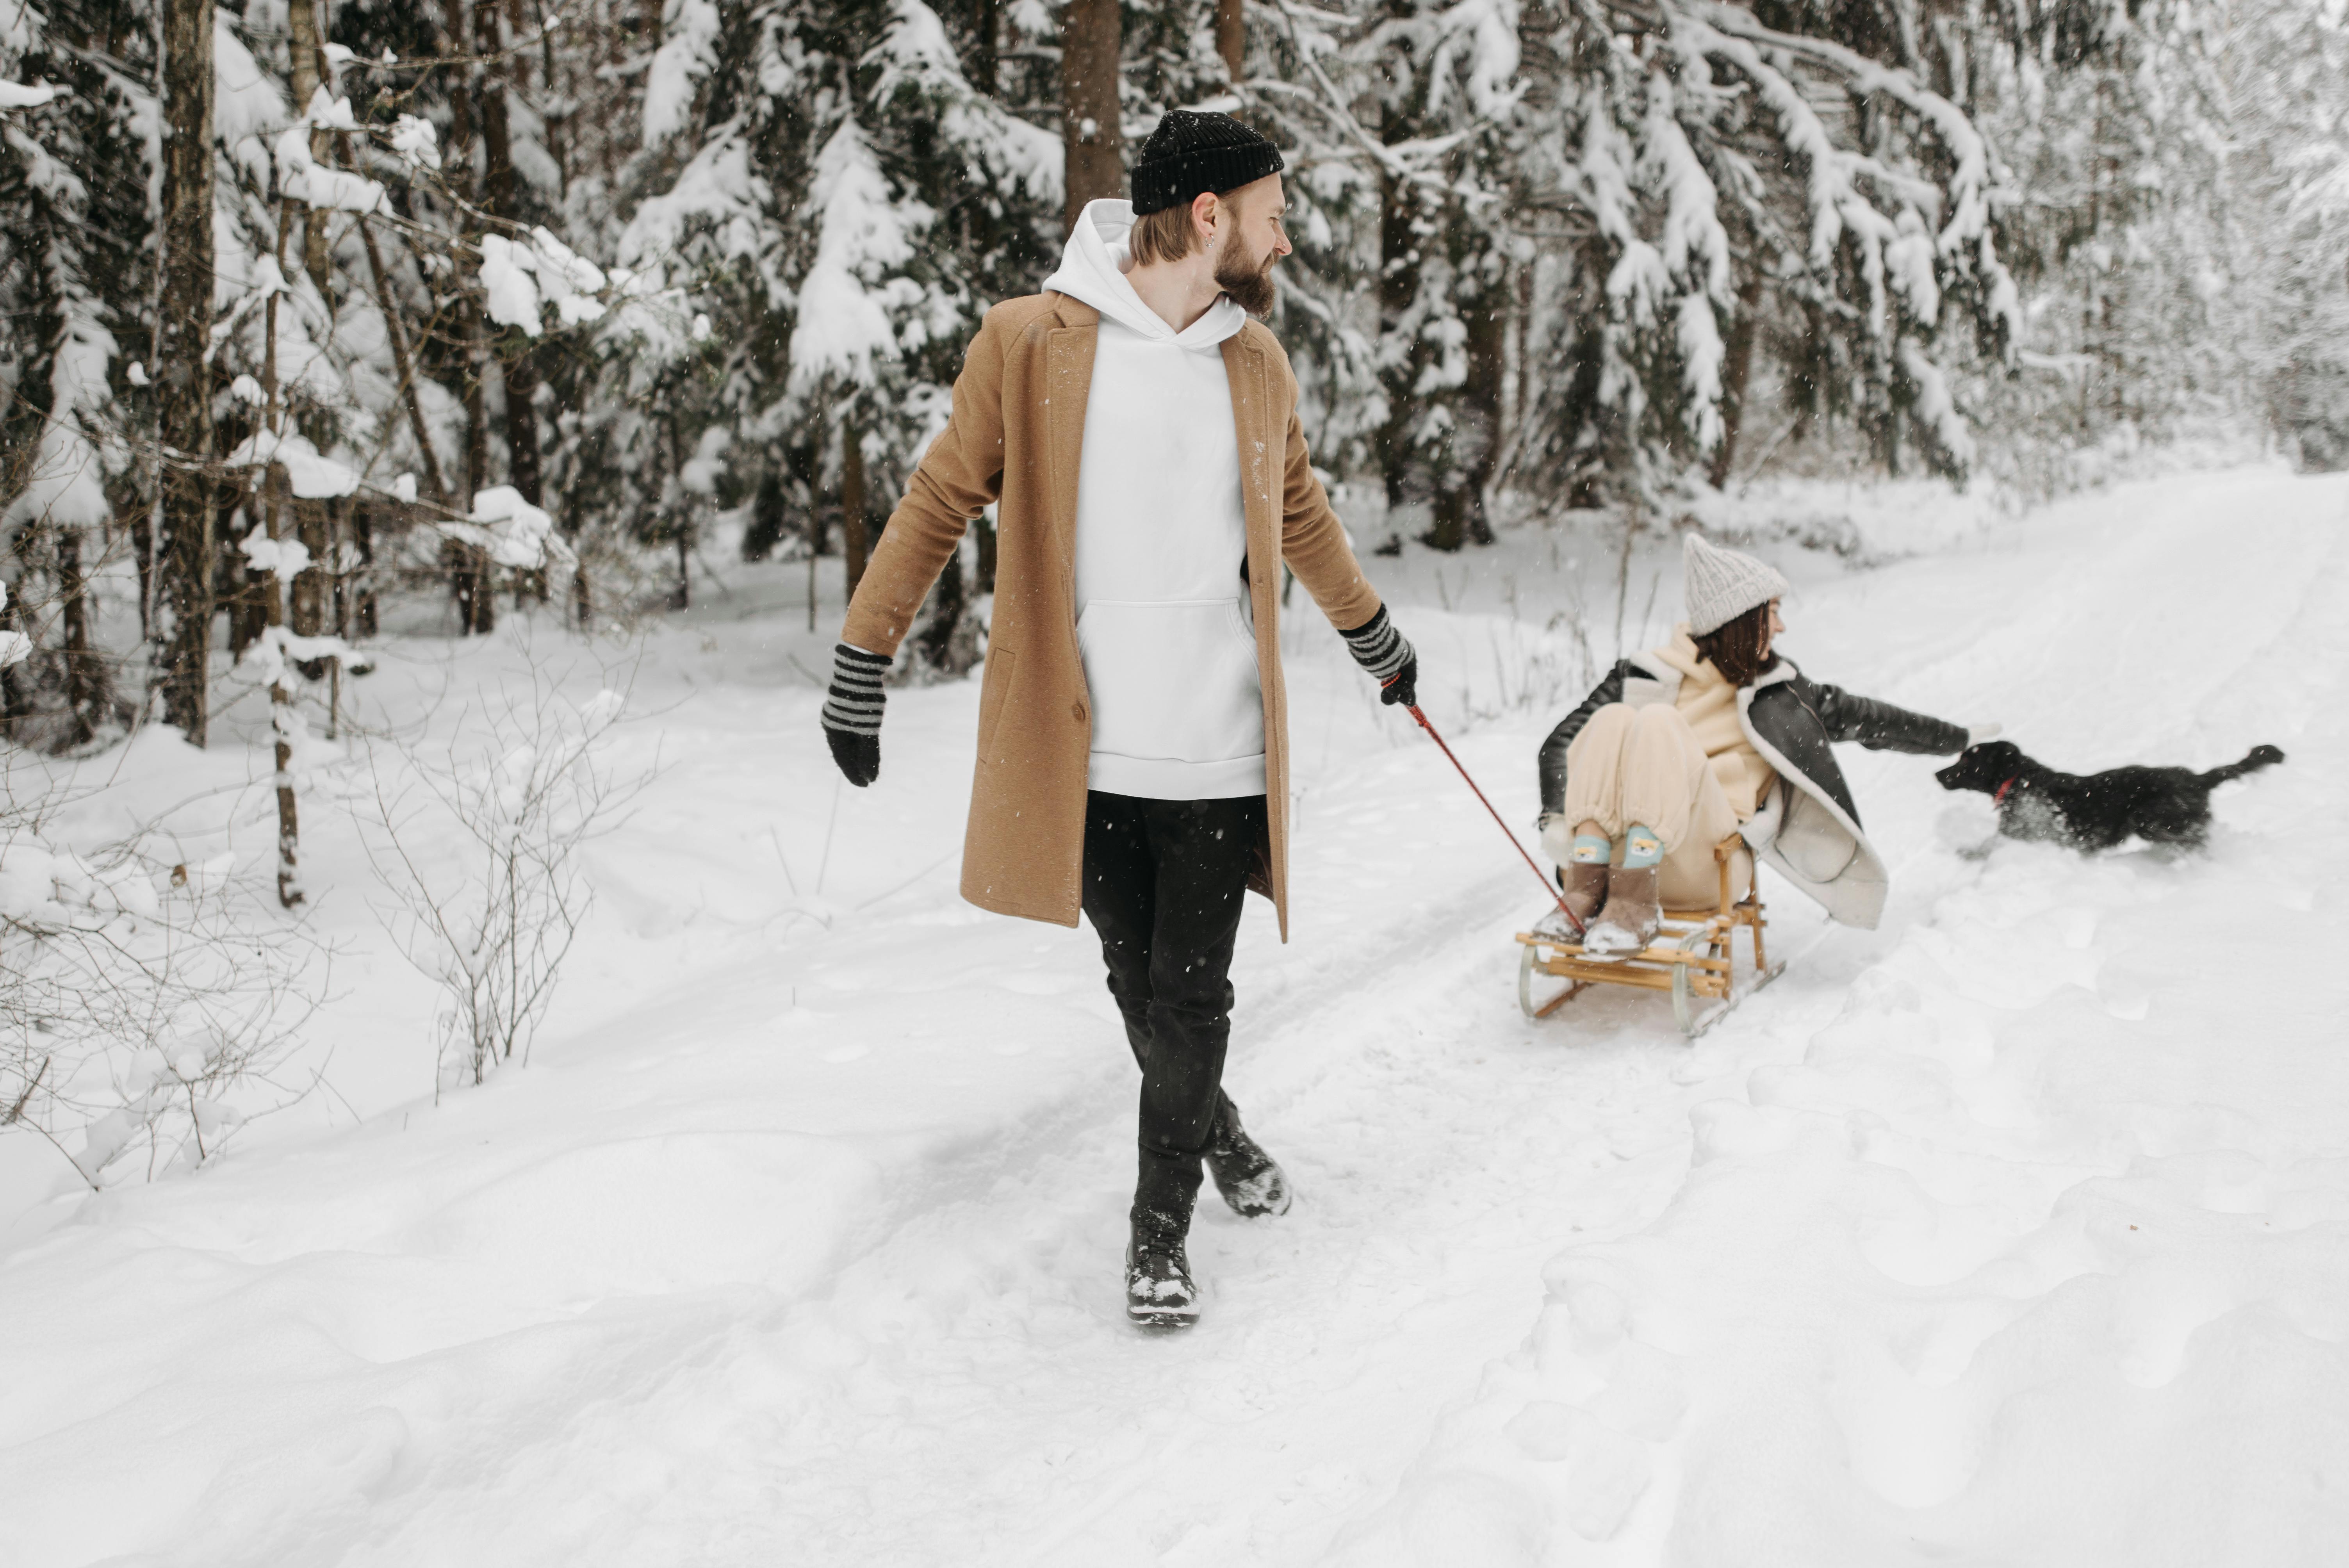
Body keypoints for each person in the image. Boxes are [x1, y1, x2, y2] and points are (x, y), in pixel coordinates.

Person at [817, 110, 1420, 1331]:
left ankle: (1158, 1232)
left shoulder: (1256, 364)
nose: (1285, 241)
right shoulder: (1029, 344)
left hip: (1216, 746)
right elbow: (940, 496)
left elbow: (1295, 511)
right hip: (1080, 752)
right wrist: (862, 653)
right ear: (1208, 218)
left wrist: (1370, 632)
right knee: (1137, 982)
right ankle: (1220, 1131)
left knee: (1192, 998)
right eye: (1274, 213)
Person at [1535, 533, 1995, 948]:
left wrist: (1957, 738)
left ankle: (1636, 901)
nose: (1780, 627)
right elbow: (1561, 746)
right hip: (1615, 861)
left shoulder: (1780, 689)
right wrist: (1558, 820)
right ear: (1740, 618)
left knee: (1655, 721)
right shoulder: (1642, 675)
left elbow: (1871, 719)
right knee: (1615, 717)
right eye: (1772, 612)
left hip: (1709, 866)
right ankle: (1585, 886)